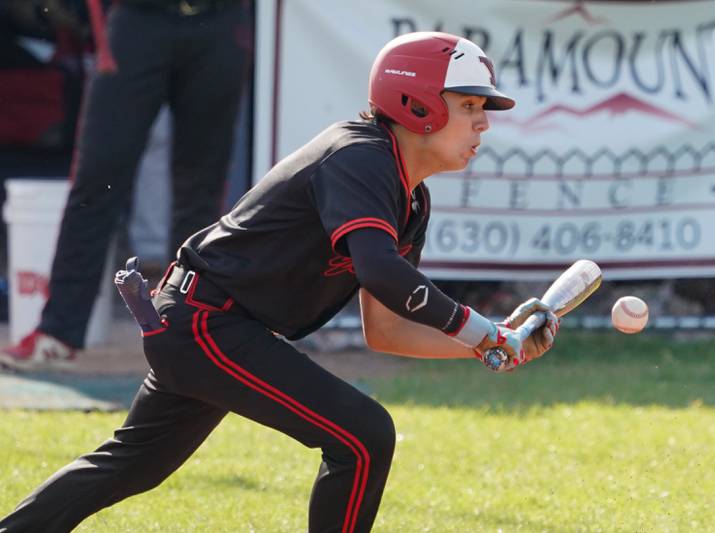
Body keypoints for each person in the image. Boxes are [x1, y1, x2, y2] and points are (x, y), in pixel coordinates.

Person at [0, 31, 559, 532]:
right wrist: (481, 329)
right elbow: (382, 273)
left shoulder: (410, 194)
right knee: (363, 437)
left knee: (128, 468)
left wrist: (490, 346)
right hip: (205, 321)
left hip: (209, 322)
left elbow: (385, 330)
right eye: (467, 105)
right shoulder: (362, 158)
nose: (483, 121)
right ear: (416, 106)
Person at [0, 0, 251, 370]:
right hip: (139, 19)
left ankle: (190, 329)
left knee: (202, 183)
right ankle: (59, 333)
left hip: (219, 19)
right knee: (98, 174)